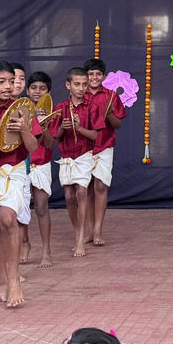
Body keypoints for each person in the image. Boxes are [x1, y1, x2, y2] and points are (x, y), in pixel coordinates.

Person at [0, 60, 41, 307]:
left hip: (13, 169)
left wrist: (25, 129)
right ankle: (2, 280)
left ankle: (14, 280)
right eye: (1, 82)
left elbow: (33, 146)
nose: (8, 86)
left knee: (7, 219)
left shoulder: (20, 107)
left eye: (11, 81)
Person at [52, 66, 104, 258]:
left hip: (84, 155)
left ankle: (81, 238)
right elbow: (54, 137)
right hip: (66, 157)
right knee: (69, 197)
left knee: (81, 192)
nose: (81, 88)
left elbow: (94, 135)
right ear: (68, 85)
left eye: (84, 84)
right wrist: (63, 128)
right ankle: (77, 230)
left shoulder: (93, 107)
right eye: (77, 84)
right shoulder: (60, 108)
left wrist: (79, 127)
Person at [82, 58, 127, 247]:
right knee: (85, 189)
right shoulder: (79, 95)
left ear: (104, 76)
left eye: (98, 74)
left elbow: (118, 124)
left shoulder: (111, 96)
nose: (94, 77)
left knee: (100, 186)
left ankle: (98, 231)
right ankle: (89, 232)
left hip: (104, 146)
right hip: (83, 148)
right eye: (90, 74)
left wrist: (109, 114)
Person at [26, 70, 59, 267]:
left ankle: (46, 251)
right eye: (34, 88)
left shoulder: (52, 114)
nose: (37, 92)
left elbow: (48, 144)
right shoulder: (20, 110)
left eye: (42, 88)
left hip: (41, 165)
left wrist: (44, 125)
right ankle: (25, 243)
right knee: (20, 210)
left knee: (40, 207)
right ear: (28, 90)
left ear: (48, 92)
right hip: (22, 165)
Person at [10, 62, 33, 264]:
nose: (17, 82)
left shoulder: (27, 108)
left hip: (20, 168)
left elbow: (34, 144)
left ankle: (23, 243)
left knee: (18, 215)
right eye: (13, 78)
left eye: (22, 79)